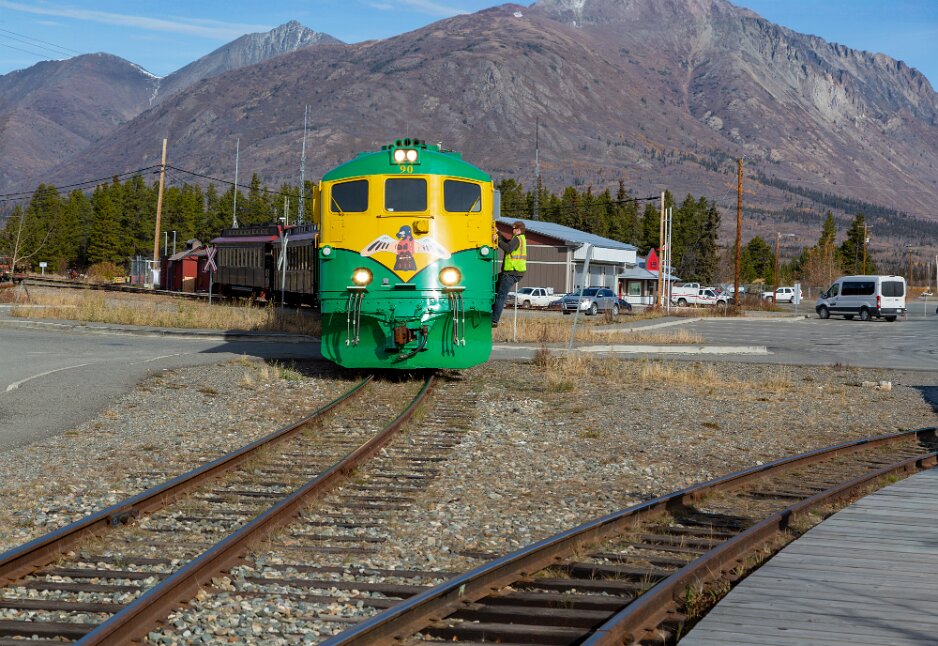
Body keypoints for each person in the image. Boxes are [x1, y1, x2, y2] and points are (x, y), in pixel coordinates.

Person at [492, 221, 527, 327]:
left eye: (514, 228)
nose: (512, 230)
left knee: (501, 296)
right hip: (513, 273)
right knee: (492, 283)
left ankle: (494, 320)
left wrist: (496, 240)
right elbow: (507, 242)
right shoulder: (518, 239)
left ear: (519, 230)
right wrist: (498, 233)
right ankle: (490, 312)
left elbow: (508, 248)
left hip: (512, 272)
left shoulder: (517, 238)